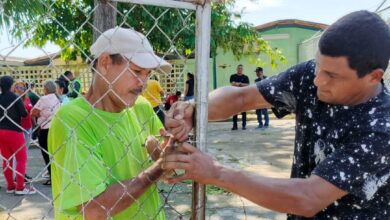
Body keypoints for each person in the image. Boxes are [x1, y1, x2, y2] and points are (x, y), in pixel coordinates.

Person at [163, 11, 390, 219]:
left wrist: (216, 173)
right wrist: (194, 109)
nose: (318, 79)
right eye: (318, 66)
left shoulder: (381, 126)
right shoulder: (309, 77)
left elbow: (308, 197)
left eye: (331, 75)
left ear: (373, 76)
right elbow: (242, 97)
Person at [48, 27, 172, 220]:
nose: (143, 83)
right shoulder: (72, 119)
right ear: (104, 63)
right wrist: (159, 167)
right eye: (137, 71)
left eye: (147, 74)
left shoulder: (140, 106)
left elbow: (168, 166)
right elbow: (95, 208)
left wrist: (165, 154)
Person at [0, 76, 36, 195]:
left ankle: (10, 186)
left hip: (1, 131)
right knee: (21, 159)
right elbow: (24, 114)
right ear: (10, 85)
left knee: (7, 160)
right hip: (14, 131)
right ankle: (20, 187)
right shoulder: (15, 98)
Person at [31, 80, 61, 186]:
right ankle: (57, 176)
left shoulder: (44, 99)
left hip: (45, 129)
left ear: (46, 89)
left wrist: (41, 113)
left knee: (46, 154)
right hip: (56, 128)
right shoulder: (58, 98)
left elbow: (33, 112)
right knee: (55, 153)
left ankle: (53, 177)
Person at [229, 64, 249, 130]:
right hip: (235, 96)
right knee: (234, 112)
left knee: (244, 112)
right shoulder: (232, 76)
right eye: (239, 68)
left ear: (242, 70)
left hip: (243, 96)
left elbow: (247, 85)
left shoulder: (246, 77)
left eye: (241, 68)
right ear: (236, 69)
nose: (240, 69)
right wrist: (241, 84)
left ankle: (244, 125)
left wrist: (239, 84)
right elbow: (232, 84)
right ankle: (235, 126)